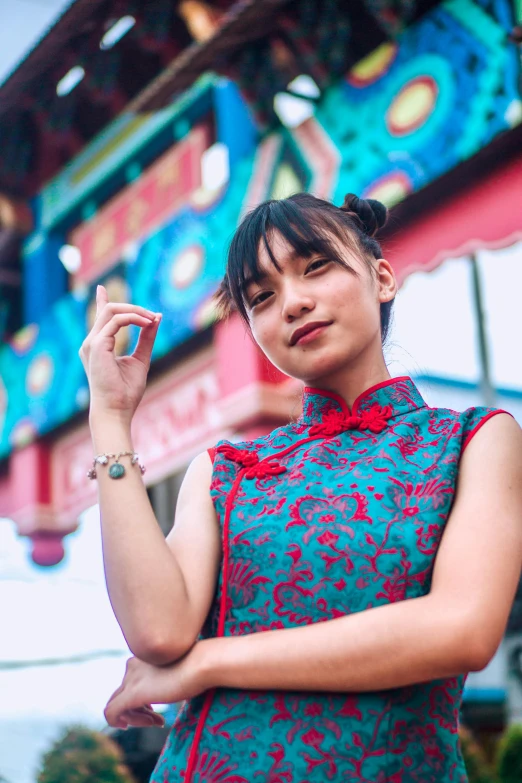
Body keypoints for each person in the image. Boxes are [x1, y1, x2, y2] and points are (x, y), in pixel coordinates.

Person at [79, 193, 522, 782]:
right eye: (261, 297)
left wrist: (206, 664)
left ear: (382, 278)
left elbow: (461, 631)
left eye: (316, 267)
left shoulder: (474, 441)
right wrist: (110, 416)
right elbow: (158, 632)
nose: (292, 303)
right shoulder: (224, 469)